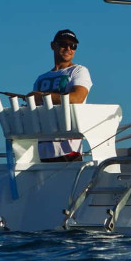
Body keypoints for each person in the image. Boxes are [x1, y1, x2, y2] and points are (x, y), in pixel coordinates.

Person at [28, 29, 92, 162]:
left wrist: (41, 96)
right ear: (53, 46)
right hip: (41, 153)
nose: (69, 48)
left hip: (69, 151)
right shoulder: (40, 78)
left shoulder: (79, 71)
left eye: (73, 46)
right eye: (64, 44)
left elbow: (77, 99)